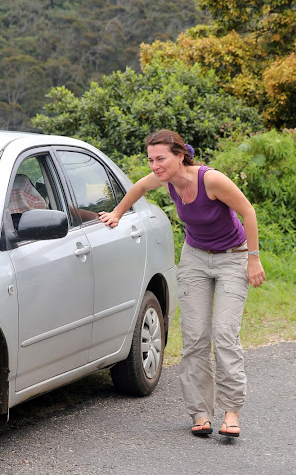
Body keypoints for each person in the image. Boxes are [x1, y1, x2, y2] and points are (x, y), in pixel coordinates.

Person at [99, 129, 266, 438]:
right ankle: (200, 413)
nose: (154, 166)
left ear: (179, 155)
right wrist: (117, 214)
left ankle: (231, 412)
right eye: (150, 160)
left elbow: (248, 211)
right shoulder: (164, 179)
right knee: (195, 337)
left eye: (160, 158)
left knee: (225, 334)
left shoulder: (211, 180)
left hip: (233, 257)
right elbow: (137, 188)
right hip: (195, 259)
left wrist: (253, 258)